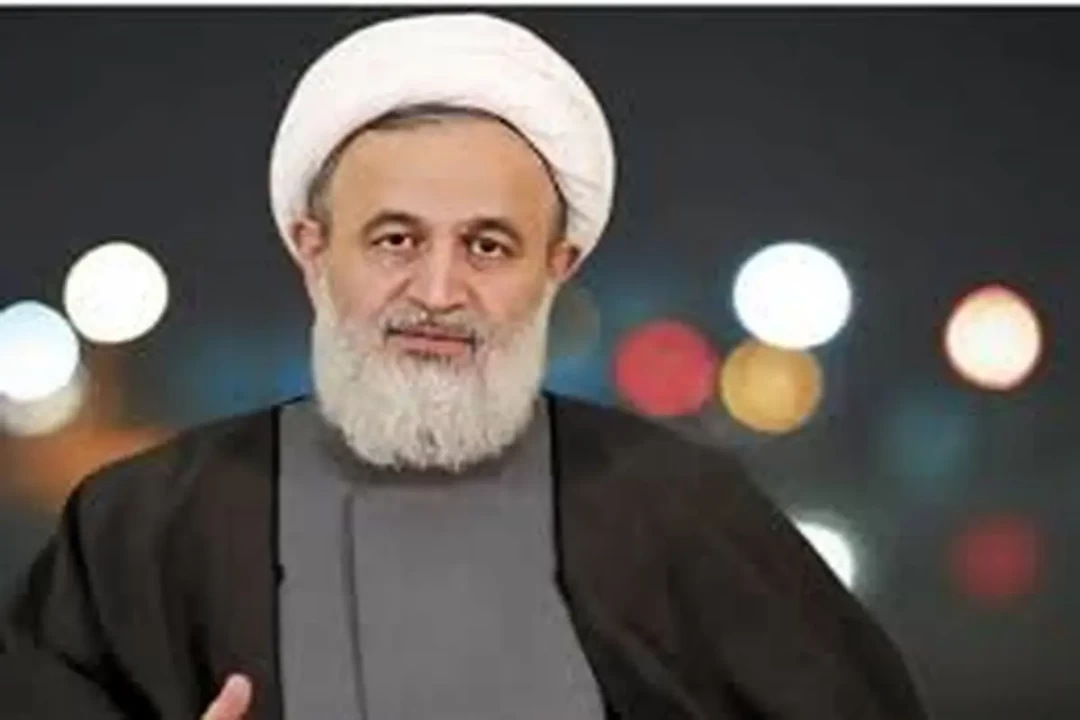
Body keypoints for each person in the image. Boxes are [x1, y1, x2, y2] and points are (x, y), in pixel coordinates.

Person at [0, 12, 930, 720]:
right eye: (395, 239)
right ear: (313, 251)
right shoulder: (141, 527)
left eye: (488, 246)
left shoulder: (682, 510)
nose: (439, 290)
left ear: (556, 267)